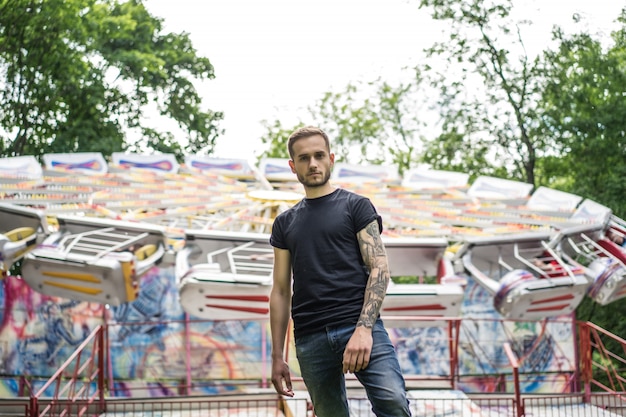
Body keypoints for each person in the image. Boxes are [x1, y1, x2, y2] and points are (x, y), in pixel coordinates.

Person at [269, 126, 411, 417]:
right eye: (304, 158)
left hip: (358, 326)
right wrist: (277, 356)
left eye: (319, 155)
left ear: (331, 158)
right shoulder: (284, 223)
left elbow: (379, 269)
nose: (313, 164)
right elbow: (281, 291)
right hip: (310, 338)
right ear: (292, 165)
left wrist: (363, 329)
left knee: (394, 403)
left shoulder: (356, 206)